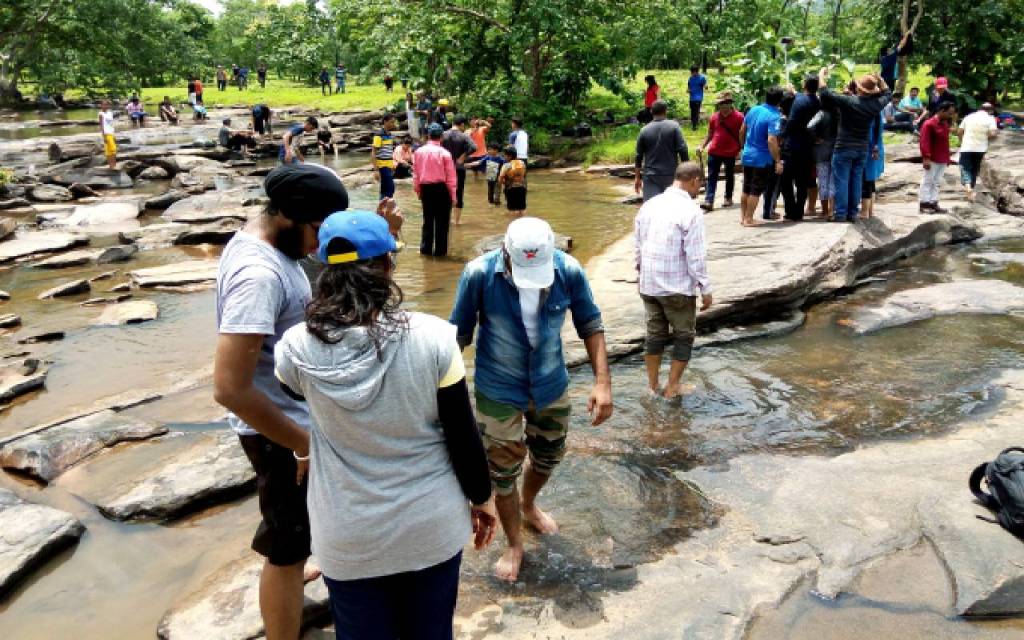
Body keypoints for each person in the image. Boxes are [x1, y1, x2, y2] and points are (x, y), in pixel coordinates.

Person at [274, 209, 496, 640]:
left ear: (322, 272)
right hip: (429, 526)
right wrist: (482, 498)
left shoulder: (295, 350)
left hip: (348, 535)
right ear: (389, 266)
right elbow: (462, 435)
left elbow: (293, 394)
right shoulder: (433, 338)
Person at [213, 164, 349, 640]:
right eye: (317, 231)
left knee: (300, 537)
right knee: (286, 549)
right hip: (278, 434)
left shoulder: (268, 243)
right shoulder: (258, 275)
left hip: (291, 426)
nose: (319, 244)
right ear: (289, 216)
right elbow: (230, 388)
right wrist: (302, 442)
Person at [449, 216, 614, 582]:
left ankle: (528, 504)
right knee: (501, 472)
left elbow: (590, 322)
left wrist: (603, 382)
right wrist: (440, 395)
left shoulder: (568, 270)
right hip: (498, 388)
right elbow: (457, 337)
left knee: (550, 453)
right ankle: (514, 543)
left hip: (550, 382)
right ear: (505, 255)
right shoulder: (478, 274)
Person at [634, 162, 712, 399]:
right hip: (676, 287)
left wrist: (640, 273)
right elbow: (695, 256)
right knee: (684, 336)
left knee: (655, 335)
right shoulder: (691, 211)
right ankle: (672, 387)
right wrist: (705, 288)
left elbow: (638, 245)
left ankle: (652, 386)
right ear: (694, 180)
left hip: (649, 285)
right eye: (701, 183)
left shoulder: (649, 205)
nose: (700, 188)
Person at [817, 67, 891, 222]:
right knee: (857, 180)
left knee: (842, 180)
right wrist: (881, 80)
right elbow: (888, 94)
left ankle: (841, 214)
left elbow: (824, 93)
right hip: (862, 148)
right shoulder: (875, 105)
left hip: (843, 147)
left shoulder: (848, 101)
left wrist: (821, 75)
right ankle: (852, 213)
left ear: (858, 88)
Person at [777, 75, 821, 221]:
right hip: (808, 145)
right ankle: (800, 210)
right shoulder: (817, 101)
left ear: (804, 84)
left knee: (786, 180)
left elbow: (792, 122)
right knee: (802, 181)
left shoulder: (799, 101)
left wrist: (782, 136)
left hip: (793, 144)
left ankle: (791, 211)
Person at [739, 86, 784, 226]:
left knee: (746, 187)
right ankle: (749, 219)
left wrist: (743, 146)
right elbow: (771, 140)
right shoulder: (774, 116)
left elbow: (742, 130)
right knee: (755, 189)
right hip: (762, 158)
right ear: (779, 101)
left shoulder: (753, 109)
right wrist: (777, 160)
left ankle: (743, 217)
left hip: (747, 154)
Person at [413, 123, 457, 256]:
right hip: (441, 189)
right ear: (441, 137)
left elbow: (416, 175)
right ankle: (440, 253)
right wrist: (453, 196)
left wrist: (418, 191)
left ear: (428, 135)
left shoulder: (418, 152)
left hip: (426, 189)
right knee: (442, 223)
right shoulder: (445, 153)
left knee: (427, 221)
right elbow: (451, 178)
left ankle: (425, 251)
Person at [633, 100, 689, 202]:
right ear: (665, 111)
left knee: (651, 209)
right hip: (671, 175)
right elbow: (683, 151)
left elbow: (638, 156)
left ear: (651, 112)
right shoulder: (674, 127)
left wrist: (637, 178)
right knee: (671, 209)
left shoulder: (644, 130)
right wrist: (687, 173)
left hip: (651, 177)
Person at [699, 92, 743, 211]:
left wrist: (741, 148)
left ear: (730, 104)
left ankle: (728, 197)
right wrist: (702, 146)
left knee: (729, 175)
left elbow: (742, 134)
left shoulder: (739, 117)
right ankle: (709, 200)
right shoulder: (714, 117)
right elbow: (710, 134)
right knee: (712, 176)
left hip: (730, 152)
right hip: (714, 151)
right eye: (721, 104)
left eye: (725, 104)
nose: (723, 106)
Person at [918, 102, 957, 213]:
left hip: (942, 158)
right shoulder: (929, 124)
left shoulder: (944, 124)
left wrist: (948, 157)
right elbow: (924, 142)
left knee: (937, 182)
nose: (951, 116)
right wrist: (926, 157)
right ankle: (924, 203)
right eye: (949, 113)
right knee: (927, 181)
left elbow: (945, 142)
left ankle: (933, 202)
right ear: (941, 111)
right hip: (932, 158)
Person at [957, 102, 998, 202]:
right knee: (975, 168)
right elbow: (993, 134)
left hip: (967, 147)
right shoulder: (990, 119)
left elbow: (959, 131)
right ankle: (971, 188)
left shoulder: (969, 116)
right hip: (980, 148)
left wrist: (962, 141)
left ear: (980, 108)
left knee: (965, 167)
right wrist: (985, 137)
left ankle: (968, 187)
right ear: (991, 110)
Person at [441, 115, 478, 225]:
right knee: (459, 193)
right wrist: (463, 156)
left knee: (445, 193)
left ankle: (446, 219)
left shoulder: (443, 134)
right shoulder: (464, 136)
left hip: (444, 169)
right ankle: (457, 221)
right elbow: (474, 147)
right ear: (462, 124)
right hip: (458, 168)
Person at [809, 104, 839, 220]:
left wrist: (816, 138)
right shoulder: (838, 112)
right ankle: (832, 210)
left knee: (822, 180)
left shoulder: (821, 113)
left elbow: (810, 126)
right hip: (836, 148)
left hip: (822, 150)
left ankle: (825, 210)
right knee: (833, 180)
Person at [861, 112, 885, 219]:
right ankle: (870, 211)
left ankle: (865, 212)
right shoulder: (877, 110)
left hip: (870, 149)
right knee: (870, 180)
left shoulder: (870, 111)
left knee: (867, 179)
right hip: (876, 148)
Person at [372, 114, 398, 199]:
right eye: (391, 122)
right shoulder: (379, 135)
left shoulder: (389, 134)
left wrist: (393, 163)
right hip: (382, 165)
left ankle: (383, 208)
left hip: (389, 165)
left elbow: (389, 151)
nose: (393, 124)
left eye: (393, 122)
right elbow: (373, 153)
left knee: (386, 189)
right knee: (389, 188)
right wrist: (376, 170)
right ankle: (383, 206)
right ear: (385, 122)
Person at [499, 146, 527, 216]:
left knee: (511, 209)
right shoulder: (522, 163)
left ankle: (511, 222)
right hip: (522, 188)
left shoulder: (506, 165)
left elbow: (500, 178)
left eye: (504, 155)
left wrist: (503, 184)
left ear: (509, 156)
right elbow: (524, 175)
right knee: (522, 208)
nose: (504, 157)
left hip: (511, 189)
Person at [687, 66, 708, 131]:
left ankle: (694, 126)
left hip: (698, 97)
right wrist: (688, 90)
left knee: (696, 111)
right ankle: (694, 123)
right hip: (691, 98)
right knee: (692, 111)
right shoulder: (690, 78)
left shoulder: (702, 78)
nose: (692, 74)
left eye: (692, 72)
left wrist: (705, 87)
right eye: (691, 72)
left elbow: (705, 86)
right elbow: (689, 87)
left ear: (696, 71)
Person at [98, 100, 117, 170]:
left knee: (109, 151)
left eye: (107, 105)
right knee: (113, 149)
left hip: (111, 133)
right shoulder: (101, 114)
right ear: (101, 106)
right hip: (106, 134)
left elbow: (112, 124)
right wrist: (103, 136)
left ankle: (113, 165)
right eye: (104, 105)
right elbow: (101, 126)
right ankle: (112, 166)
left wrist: (114, 134)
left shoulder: (110, 113)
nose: (105, 106)